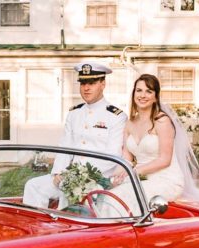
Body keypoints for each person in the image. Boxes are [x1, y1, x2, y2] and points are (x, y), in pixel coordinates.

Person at [110, 74, 199, 216]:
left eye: (149, 91)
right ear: (133, 93)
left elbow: (164, 160)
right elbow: (126, 157)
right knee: (108, 195)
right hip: (141, 178)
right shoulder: (130, 123)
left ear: (155, 97)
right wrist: (113, 177)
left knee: (124, 197)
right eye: (139, 90)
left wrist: (134, 172)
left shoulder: (162, 121)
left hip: (167, 180)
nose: (143, 95)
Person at [23, 61, 127, 209]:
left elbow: (112, 155)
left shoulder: (116, 116)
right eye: (83, 83)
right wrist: (58, 173)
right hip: (70, 177)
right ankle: (39, 228)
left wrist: (79, 176)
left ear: (103, 84)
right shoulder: (74, 113)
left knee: (70, 195)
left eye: (92, 82)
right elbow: (65, 146)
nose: (86, 88)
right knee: (33, 185)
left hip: (99, 179)